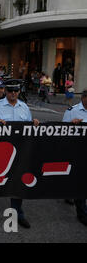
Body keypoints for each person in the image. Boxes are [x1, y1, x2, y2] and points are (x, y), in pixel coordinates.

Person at [0, 79, 40, 229]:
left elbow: (29, 128)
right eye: (10, 91)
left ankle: (18, 213)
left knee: (18, 183)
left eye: (16, 91)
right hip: (2, 151)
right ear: (5, 91)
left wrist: (34, 123)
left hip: (21, 151)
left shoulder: (24, 107)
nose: (13, 94)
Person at [62, 90, 87, 227]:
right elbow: (61, 131)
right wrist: (72, 125)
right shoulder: (72, 111)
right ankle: (82, 212)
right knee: (79, 180)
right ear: (83, 98)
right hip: (76, 150)